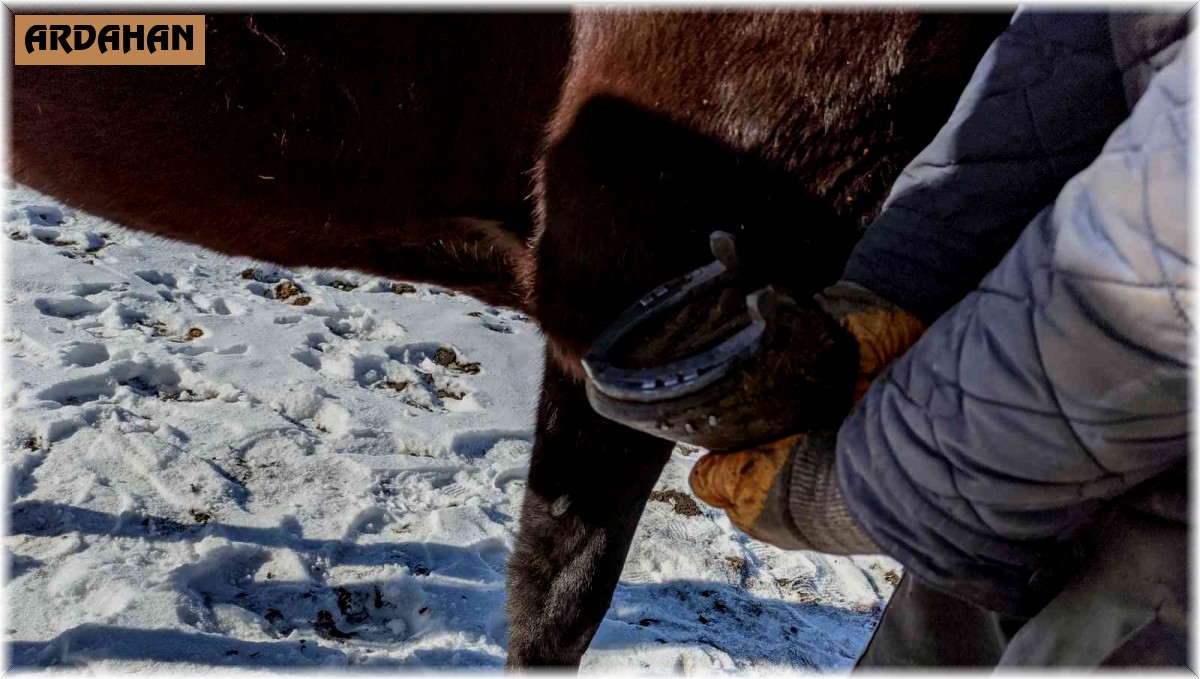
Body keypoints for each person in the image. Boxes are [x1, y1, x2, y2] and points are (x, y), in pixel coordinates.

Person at [688, 9, 1192, 667]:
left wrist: (875, 484)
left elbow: (1166, 274)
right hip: (1053, 431)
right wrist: (898, 286)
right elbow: (1085, 45)